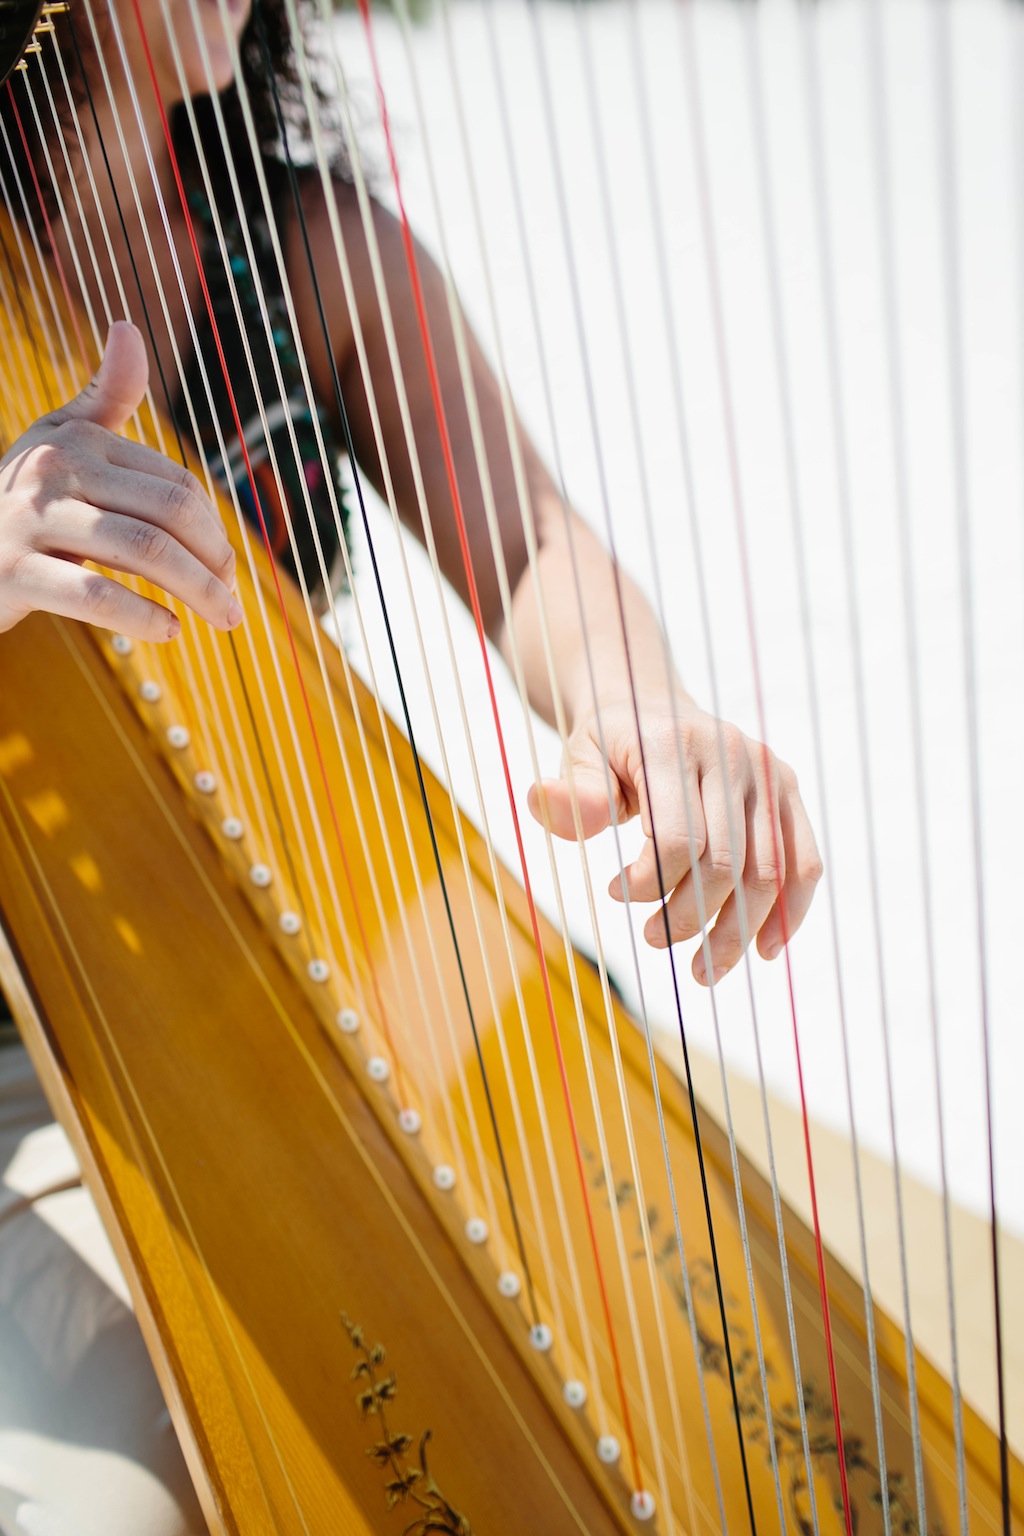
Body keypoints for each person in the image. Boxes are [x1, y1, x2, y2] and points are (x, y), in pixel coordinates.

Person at [0, 0, 822, 1527]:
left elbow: (527, 550)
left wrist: (646, 718)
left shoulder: (303, 251)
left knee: (742, 1357)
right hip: (31, 1063)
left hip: (344, 932)